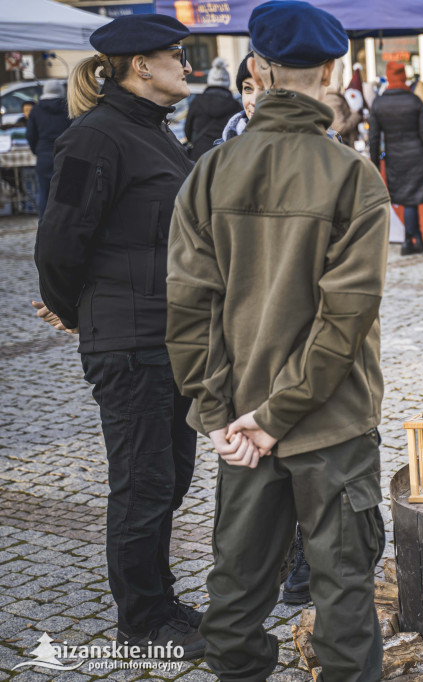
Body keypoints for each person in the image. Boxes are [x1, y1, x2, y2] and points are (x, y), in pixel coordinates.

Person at [165, 2, 389, 679]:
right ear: (333, 71)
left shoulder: (209, 172)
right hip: (330, 426)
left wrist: (221, 417)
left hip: (242, 421)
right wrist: (273, 418)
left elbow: (187, 310)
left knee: (233, 602)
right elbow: (342, 323)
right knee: (345, 601)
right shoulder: (353, 177)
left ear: (256, 71)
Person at [32, 14, 203, 658]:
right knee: (144, 480)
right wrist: (76, 311)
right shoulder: (94, 137)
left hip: (171, 336)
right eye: (176, 55)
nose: (186, 65)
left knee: (172, 476)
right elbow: (58, 242)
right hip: (127, 344)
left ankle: (159, 593)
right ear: (141, 67)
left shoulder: (153, 132)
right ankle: (143, 616)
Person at [368, 61, 423, 255]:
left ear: (389, 78)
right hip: (418, 156)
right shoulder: (414, 101)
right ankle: (411, 240)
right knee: (411, 200)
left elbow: (373, 138)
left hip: (395, 159)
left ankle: (415, 240)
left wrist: (374, 164)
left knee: (408, 200)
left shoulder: (379, 103)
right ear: (404, 78)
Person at [25, 80, 72, 216]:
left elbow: (30, 135)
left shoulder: (36, 110)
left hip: (44, 156)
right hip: (67, 155)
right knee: (67, 197)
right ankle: (65, 227)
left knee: (45, 194)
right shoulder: (69, 108)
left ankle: (44, 228)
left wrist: (37, 151)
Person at [184, 56, 241, 159]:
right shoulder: (236, 106)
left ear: (210, 79)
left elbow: (188, 129)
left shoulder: (197, 102)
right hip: (225, 156)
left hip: (199, 155)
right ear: (227, 82)